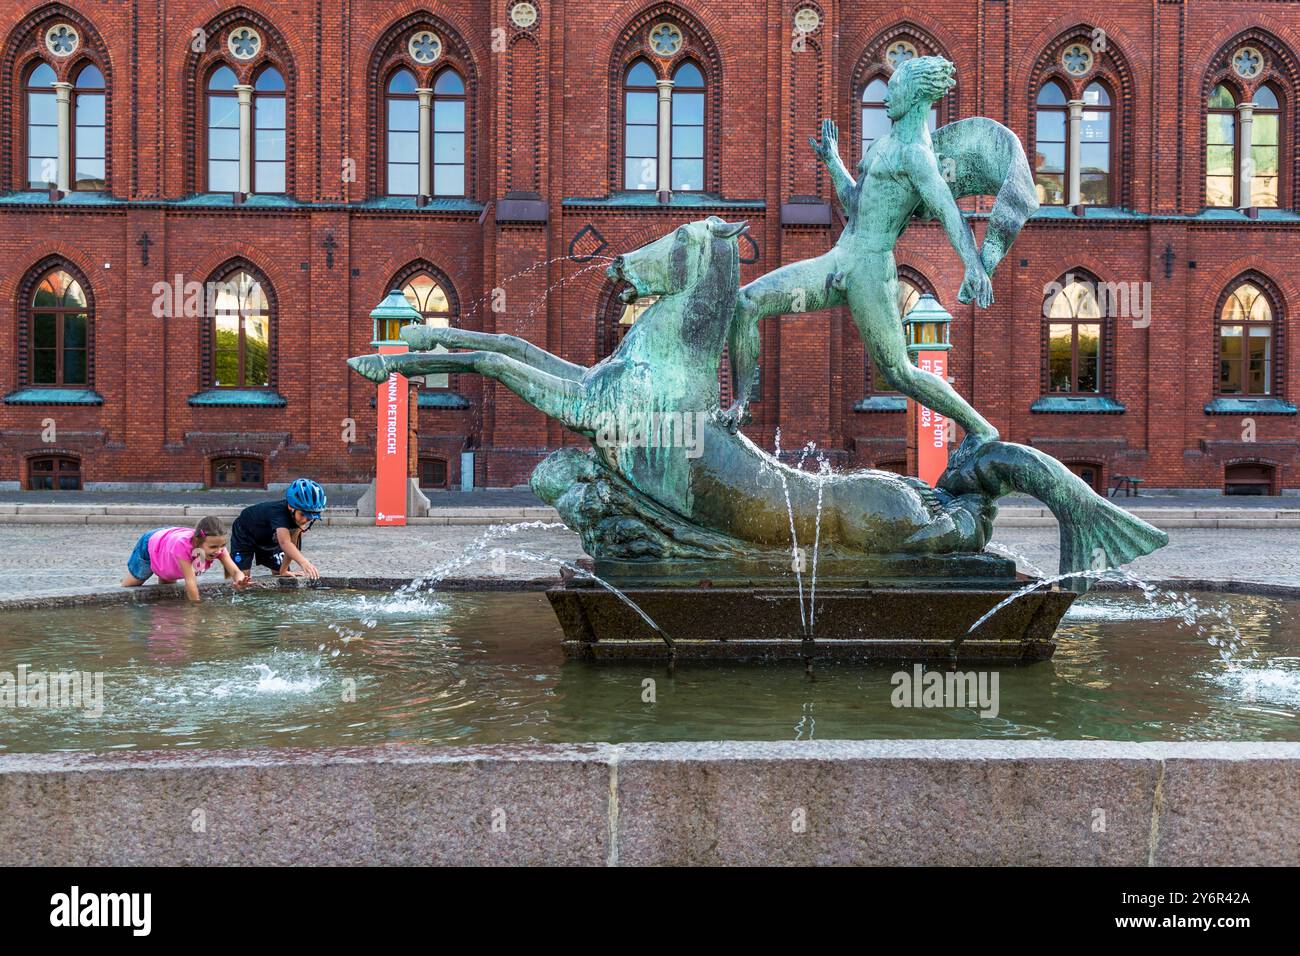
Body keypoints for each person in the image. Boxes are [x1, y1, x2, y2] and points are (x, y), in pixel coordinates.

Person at [723, 55, 999, 446]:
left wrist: (973, 264)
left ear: (918, 98)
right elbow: (855, 204)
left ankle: (981, 428)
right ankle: (739, 406)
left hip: (871, 268)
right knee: (747, 302)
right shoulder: (882, 145)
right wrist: (833, 163)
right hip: (841, 258)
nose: (889, 98)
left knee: (899, 371)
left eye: (897, 90)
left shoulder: (917, 157)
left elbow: (947, 211)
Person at [122, 515, 247, 602]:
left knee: (168, 591)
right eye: (214, 546)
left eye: (223, 545)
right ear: (198, 541)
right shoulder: (183, 546)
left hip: (168, 545)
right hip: (151, 544)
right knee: (131, 586)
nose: (219, 551)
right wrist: (196, 608)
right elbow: (190, 582)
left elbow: (235, 571)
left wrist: (240, 580)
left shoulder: (217, 547)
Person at [229, 478, 325, 580]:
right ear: (290, 507)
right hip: (245, 534)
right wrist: (304, 562)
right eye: (303, 514)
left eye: (310, 517)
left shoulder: (299, 519)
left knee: (280, 575)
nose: (305, 520)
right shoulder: (278, 514)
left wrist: (283, 571)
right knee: (243, 578)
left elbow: (292, 544)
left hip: (270, 535)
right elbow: (285, 543)